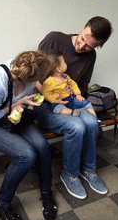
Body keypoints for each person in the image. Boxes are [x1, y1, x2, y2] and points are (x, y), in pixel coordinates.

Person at [0, 51, 57, 220]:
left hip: (12, 118)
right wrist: (15, 105)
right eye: (42, 77)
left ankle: (46, 192)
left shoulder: (27, 77)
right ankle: (1, 204)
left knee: (42, 146)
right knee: (27, 155)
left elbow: (18, 102)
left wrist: (20, 107)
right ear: (31, 77)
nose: (43, 80)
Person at [35, 16, 112, 199]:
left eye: (88, 46)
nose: (81, 47)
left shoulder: (90, 56)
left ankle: (88, 170)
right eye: (83, 39)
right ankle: (69, 174)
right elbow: (34, 74)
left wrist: (77, 97)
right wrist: (51, 96)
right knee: (76, 127)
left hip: (70, 101)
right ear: (84, 26)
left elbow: (83, 86)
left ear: (96, 47)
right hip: (46, 104)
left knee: (92, 122)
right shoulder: (55, 39)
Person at [42, 50, 100, 119]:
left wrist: (78, 94)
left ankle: (95, 119)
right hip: (59, 102)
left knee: (87, 103)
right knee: (57, 108)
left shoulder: (66, 77)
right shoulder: (48, 82)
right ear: (58, 69)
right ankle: (72, 112)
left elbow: (73, 85)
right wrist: (54, 100)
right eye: (64, 62)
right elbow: (45, 93)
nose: (66, 63)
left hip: (71, 99)